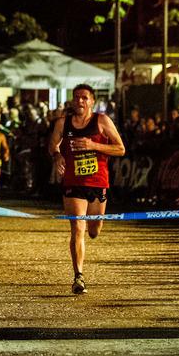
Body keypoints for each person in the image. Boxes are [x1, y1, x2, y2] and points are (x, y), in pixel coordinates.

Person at [49, 84, 125, 294]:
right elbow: (53, 145)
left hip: (97, 183)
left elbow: (120, 148)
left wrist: (94, 146)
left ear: (92, 101)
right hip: (73, 184)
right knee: (77, 229)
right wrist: (57, 156)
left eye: (84, 98)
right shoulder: (63, 123)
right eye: (77, 98)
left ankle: (93, 232)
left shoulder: (101, 121)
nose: (80, 101)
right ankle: (78, 276)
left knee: (93, 231)